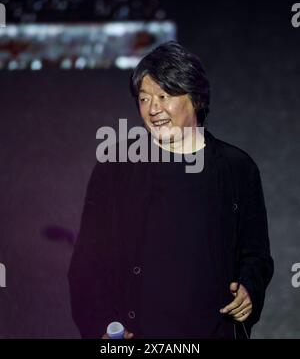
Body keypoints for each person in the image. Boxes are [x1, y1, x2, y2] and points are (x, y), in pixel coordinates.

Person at [68, 41, 274, 339]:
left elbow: (256, 254)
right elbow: (86, 263)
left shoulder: (237, 169)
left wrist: (248, 289)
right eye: (144, 98)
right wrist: (102, 327)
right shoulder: (116, 168)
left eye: (164, 96)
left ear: (197, 99)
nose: (153, 109)